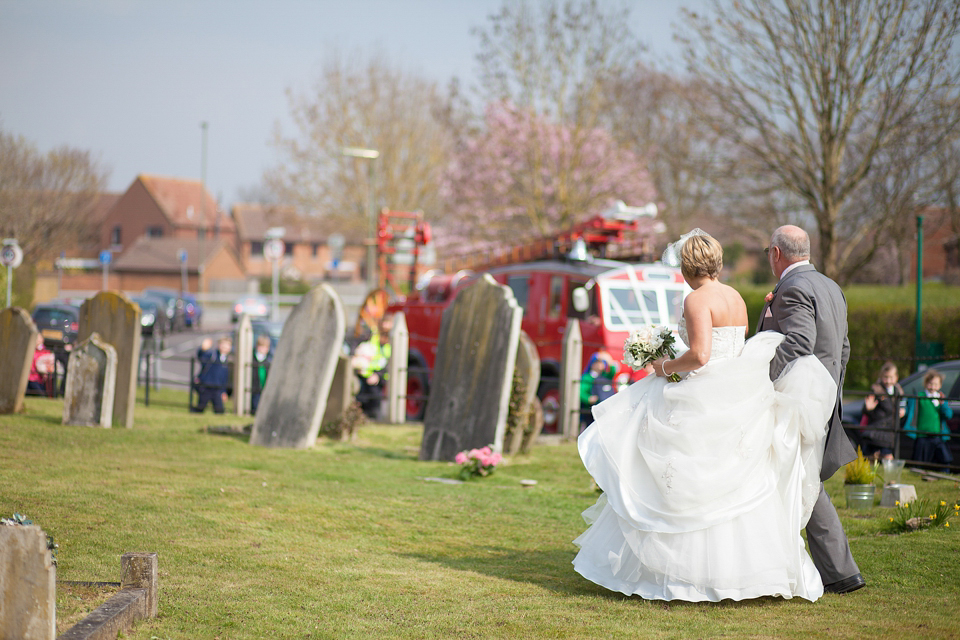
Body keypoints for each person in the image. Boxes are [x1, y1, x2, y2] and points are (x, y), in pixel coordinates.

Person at [573, 230, 837, 601]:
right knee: (735, 482)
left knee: (678, 473)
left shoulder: (696, 300)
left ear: (685, 266)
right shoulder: (734, 296)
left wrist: (663, 367)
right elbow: (731, 347)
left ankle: (680, 573)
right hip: (737, 392)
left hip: (704, 390)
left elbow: (699, 355)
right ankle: (742, 571)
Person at [757, 225, 864, 595]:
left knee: (796, 477)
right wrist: (830, 387)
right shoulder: (831, 287)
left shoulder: (795, 288)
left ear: (775, 253)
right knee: (800, 477)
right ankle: (839, 572)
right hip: (820, 399)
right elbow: (844, 347)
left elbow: (801, 341)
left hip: (794, 403)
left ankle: (837, 571)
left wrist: (762, 379)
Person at [903, 369, 954, 465]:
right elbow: (910, 408)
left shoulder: (941, 398)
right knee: (920, 461)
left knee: (944, 460)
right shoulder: (920, 397)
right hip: (922, 436)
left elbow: (948, 415)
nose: (932, 387)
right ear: (925, 384)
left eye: (935, 384)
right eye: (930, 384)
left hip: (937, 436)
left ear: (940, 385)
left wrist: (942, 404)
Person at [860, 362, 905, 460]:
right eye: (886, 377)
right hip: (877, 430)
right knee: (870, 458)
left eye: (891, 377)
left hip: (890, 431)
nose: (888, 381)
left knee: (886, 457)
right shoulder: (876, 390)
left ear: (896, 377)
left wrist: (903, 411)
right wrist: (868, 408)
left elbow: (902, 405)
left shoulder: (898, 391)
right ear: (881, 376)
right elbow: (865, 410)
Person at [192, 337, 231, 414]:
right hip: (206, 387)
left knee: (219, 411)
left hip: (217, 389)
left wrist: (223, 391)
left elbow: (224, 378)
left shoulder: (226, 360)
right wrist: (203, 349)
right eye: (223, 346)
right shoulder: (212, 355)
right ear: (219, 345)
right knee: (200, 408)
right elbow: (202, 355)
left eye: (227, 346)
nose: (225, 348)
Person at [579, 351, 617, 429]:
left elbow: (613, 370)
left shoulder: (605, 376)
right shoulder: (587, 377)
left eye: (602, 362)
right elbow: (580, 392)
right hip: (590, 410)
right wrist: (588, 399)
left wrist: (607, 358)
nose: (600, 364)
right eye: (598, 362)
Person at [250, 335, 272, 415]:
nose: (263, 349)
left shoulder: (267, 361)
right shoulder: (252, 359)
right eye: (261, 347)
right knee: (255, 407)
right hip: (255, 388)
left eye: (266, 347)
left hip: (264, 388)